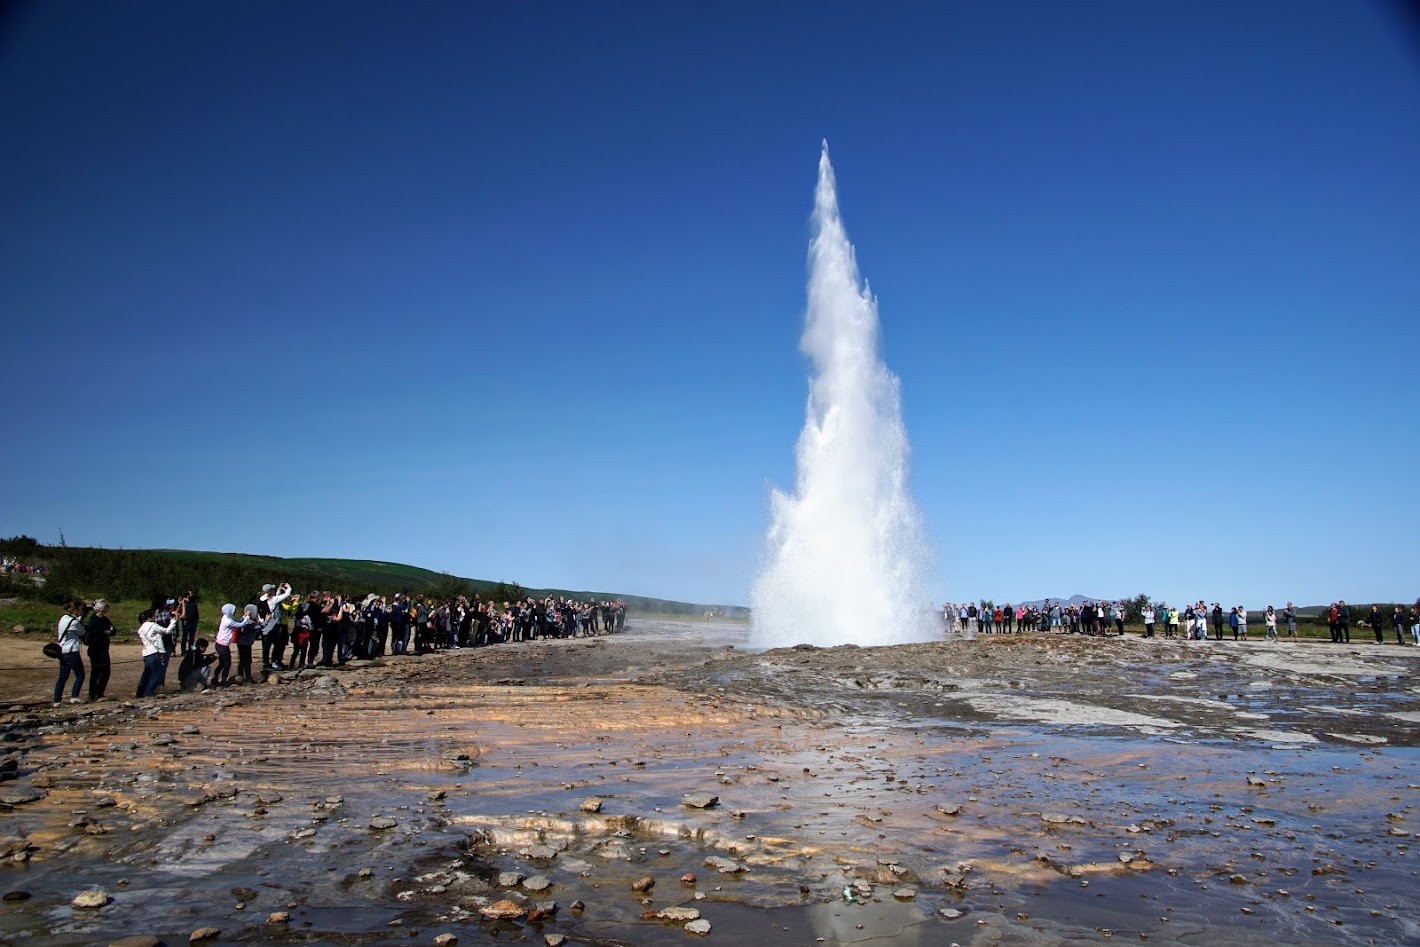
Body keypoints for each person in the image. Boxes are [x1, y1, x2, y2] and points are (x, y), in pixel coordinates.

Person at [54, 599, 89, 705]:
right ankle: (74, 696)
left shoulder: (64, 618)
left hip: (62, 650)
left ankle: (57, 700)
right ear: (78, 609)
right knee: (80, 674)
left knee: (63, 676)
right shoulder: (74, 622)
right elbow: (82, 632)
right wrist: (83, 620)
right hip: (72, 651)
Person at [135, 609, 177, 697]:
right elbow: (167, 631)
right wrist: (173, 621)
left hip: (146, 653)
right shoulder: (153, 625)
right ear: (151, 616)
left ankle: (140, 692)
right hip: (155, 652)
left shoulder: (141, 628)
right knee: (156, 674)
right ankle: (148, 692)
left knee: (147, 674)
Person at [85, 599, 115, 700]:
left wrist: (109, 632)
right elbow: (92, 632)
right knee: (96, 671)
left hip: (104, 648)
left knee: (106, 671)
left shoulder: (105, 619)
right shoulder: (93, 620)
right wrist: (104, 632)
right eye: (106, 606)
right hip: (95, 649)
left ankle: (100, 692)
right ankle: (93, 694)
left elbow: (113, 630)